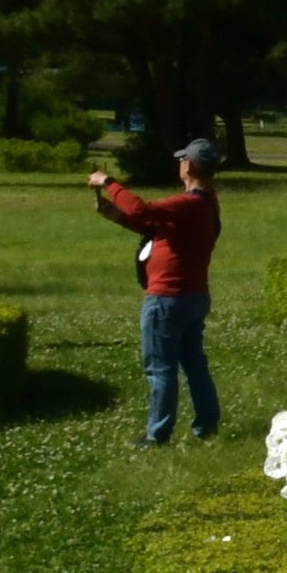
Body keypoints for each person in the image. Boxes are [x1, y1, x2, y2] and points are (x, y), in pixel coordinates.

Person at [94, 140, 224, 444]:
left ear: (189, 166)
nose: (179, 164)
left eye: (182, 159)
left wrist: (108, 182)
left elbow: (140, 208)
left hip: (167, 298)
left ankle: (157, 435)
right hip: (193, 296)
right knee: (194, 365)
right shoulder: (206, 204)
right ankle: (207, 425)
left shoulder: (189, 203)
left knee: (160, 369)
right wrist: (116, 217)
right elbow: (156, 228)